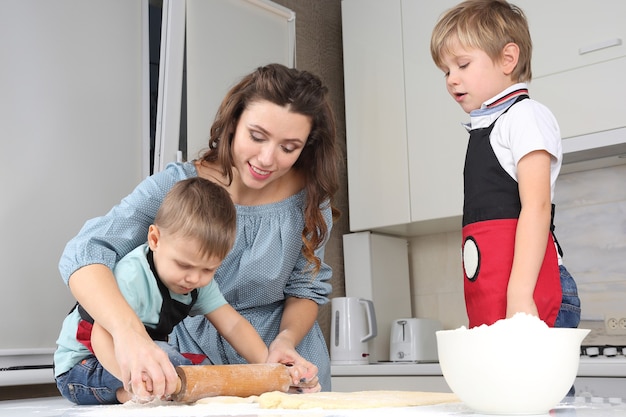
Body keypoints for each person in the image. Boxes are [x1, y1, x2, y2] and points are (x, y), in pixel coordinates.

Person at [58, 63, 340, 401]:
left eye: (288, 147)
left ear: (306, 145)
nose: (267, 158)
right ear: (234, 124)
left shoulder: (310, 200)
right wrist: (130, 336)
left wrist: (284, 343)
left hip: (277, 365)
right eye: (257, 136)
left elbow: (306, 289)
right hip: (195, 369)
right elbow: (87, 252)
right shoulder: (179, 187)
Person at [430, 0, 581, 329]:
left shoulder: (525, 116)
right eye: (446, 70)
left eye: (463, 64)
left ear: (507, 59)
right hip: (498, 293)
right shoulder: (485, 128)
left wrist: (520, 293)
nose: (452, 79)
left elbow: (537, 206)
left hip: (531, 290)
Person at [55, 177, 271, 404]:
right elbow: (101, 336)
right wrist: (134, 378)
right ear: (155, 239)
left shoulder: (197, 282)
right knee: (167, 360)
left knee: (200, 368)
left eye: (208, 269)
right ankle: (125, 393)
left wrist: (269, 363)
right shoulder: (132, 276)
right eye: (184, 265)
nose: (195, 278)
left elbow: (233, 324)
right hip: (83, 366)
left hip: (143, 355)